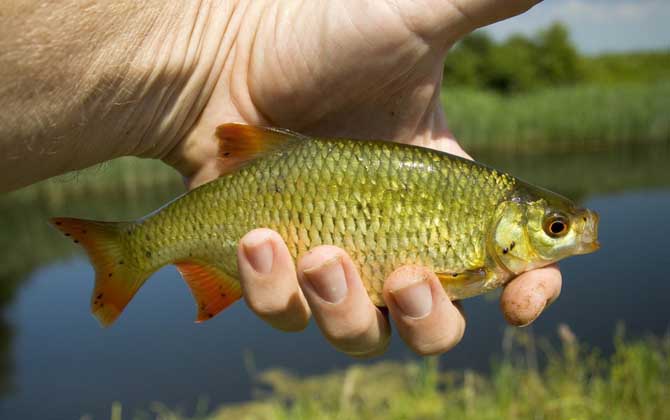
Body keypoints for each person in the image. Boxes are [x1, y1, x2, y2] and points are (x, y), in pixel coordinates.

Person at [0, 0, 561, 357]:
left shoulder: (480, 208)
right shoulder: (482, 254)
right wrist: (221, 55)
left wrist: (216, 58)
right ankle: (130, 248)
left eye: (557, 228)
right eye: (554, 227)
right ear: (514, 224)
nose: (563, 235)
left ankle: (140, 249)